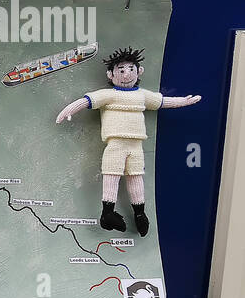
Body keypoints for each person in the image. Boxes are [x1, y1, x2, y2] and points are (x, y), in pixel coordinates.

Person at [55, 47, 199, 236]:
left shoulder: (143, 96)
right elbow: (86, 101)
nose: (126, 74)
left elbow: (164, 101)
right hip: (115, 145)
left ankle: (140, 214)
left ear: (139, 71)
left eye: (131, 69)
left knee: (135, 176)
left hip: (136, 146)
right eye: (121, 70)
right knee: (111, 175)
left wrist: (184, 101)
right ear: (111, 74)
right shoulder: (109, 95)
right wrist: (68, 111)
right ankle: (107, 213)